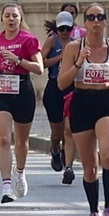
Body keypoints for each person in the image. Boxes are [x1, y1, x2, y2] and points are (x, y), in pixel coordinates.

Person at [58, 3, 109, 216]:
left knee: (108, 154)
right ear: (85, 22)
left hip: (107, 100)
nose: (96, 21)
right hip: (82, 102)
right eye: (91, 17)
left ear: (106, 21)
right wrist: (79, 61)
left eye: (100, 17)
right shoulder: (73, 48)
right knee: (90, 168)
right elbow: (61, 83)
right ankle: (93, 214)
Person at [0, 3, 43, 203]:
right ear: (1, 19)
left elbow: (39, 68)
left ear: (20, 18)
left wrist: (18, 60)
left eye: (14, 16)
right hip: (2, 89)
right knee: (4, 140)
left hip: (23, 88)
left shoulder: (29, 39)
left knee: (21, 141)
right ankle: (6, 186)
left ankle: (20, 171)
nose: (10, 19)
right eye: (7, 16)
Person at [41, 13, 74, 184]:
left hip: (72, 87)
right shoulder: (52, 41)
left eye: (68, 29)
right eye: (62, 29)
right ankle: (55, 150)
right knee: (57, 133)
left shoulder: (77, 43)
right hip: (54, 87)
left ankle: (68, 167)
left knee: (69, 130)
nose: (65, 32)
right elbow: (40, 62)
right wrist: (60, 58)